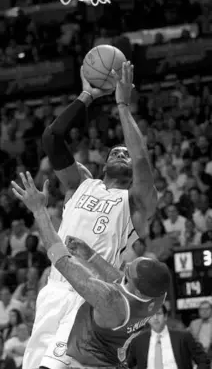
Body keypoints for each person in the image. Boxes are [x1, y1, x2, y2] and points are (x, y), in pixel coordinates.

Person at [11, 61, 157, 369]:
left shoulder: (136, 203)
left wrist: (121, 105)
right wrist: (87, 95)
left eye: (126, 153)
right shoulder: (80, 183)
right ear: (102, 165)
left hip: (91, 296)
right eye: (115, 151)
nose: (122, 153)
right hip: (54, 289)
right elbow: (52, 138)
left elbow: (143, 159)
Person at [11, 174, 169, 368]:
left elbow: (61, 259)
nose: (125, 266)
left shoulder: (110, 300)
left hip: (89, 360)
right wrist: (91, 255)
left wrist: (38, 210)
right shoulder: (155, 295)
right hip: (109, 356)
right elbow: (120, 279)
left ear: (136, 289)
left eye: (129, 272)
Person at [127, 304, 210, 369]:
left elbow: (203, 361)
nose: (155, 318)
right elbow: (127, 365)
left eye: (159, 313)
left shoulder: (183, 337)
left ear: (165, 316)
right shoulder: (138, 340)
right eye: (152, 315)